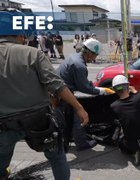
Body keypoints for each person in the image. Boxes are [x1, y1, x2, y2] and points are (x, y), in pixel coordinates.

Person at [0, 10, 89, 180]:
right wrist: (79, 108)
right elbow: (57, 85)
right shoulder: (32, 53)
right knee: (57, 157)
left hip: (4, 124)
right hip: (39, 120)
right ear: (19, 33)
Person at [57, 38, 107, 151]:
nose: (95, 58)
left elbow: (80, 81)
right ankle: (82, 144)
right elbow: (83, 87)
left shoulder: (74, 57)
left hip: (60, 91)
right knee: (79, 117)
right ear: (89, 53)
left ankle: (66, 142)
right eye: (95, 55)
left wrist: (91, 85)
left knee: (65, 119)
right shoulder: (79, 65)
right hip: (63, 94)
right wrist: (99, 91)